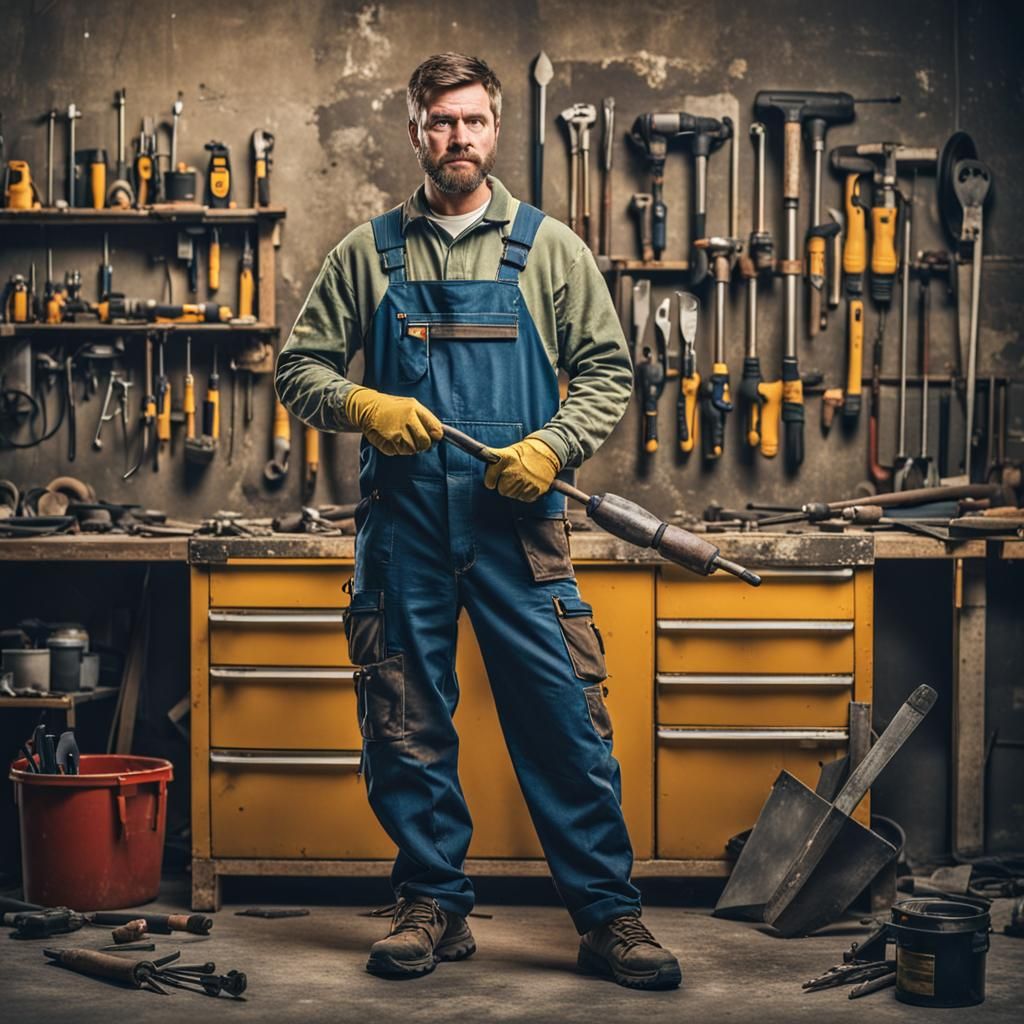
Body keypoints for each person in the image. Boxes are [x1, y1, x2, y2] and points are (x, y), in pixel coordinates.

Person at [275, 52, 681, 991]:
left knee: (564, 722)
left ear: (495, 131)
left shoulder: (549, 249)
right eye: (439, 121)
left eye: (472, 121)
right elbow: (301, 371)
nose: (457, 138)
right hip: (405, 528)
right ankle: (430, 904)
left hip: (520, 529)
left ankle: (608, 916)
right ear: (415, 130)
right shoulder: (366, 252)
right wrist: (364, 406)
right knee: (404, 724)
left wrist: (553, 446)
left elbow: (611, 374)